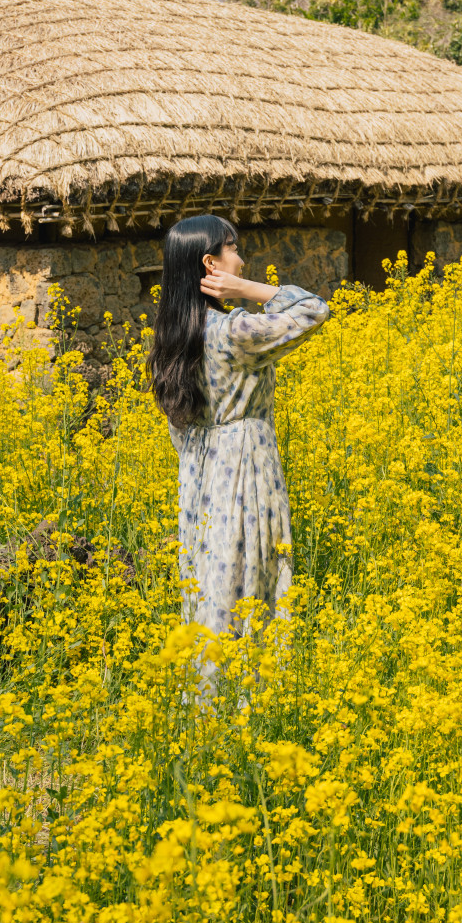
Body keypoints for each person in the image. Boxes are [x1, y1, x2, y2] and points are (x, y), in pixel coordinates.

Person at [147, 213, 329, 653]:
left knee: (210, 582)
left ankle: (207, 699)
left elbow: (179, 427)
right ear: (212, 265)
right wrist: (249, 291)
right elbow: (314, 309)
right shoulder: (234, 331)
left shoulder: (172, 337)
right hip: (244, 464)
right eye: (233, 250)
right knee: (250, 580)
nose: (242, 261)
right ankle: (249, 697)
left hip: (197, 475)